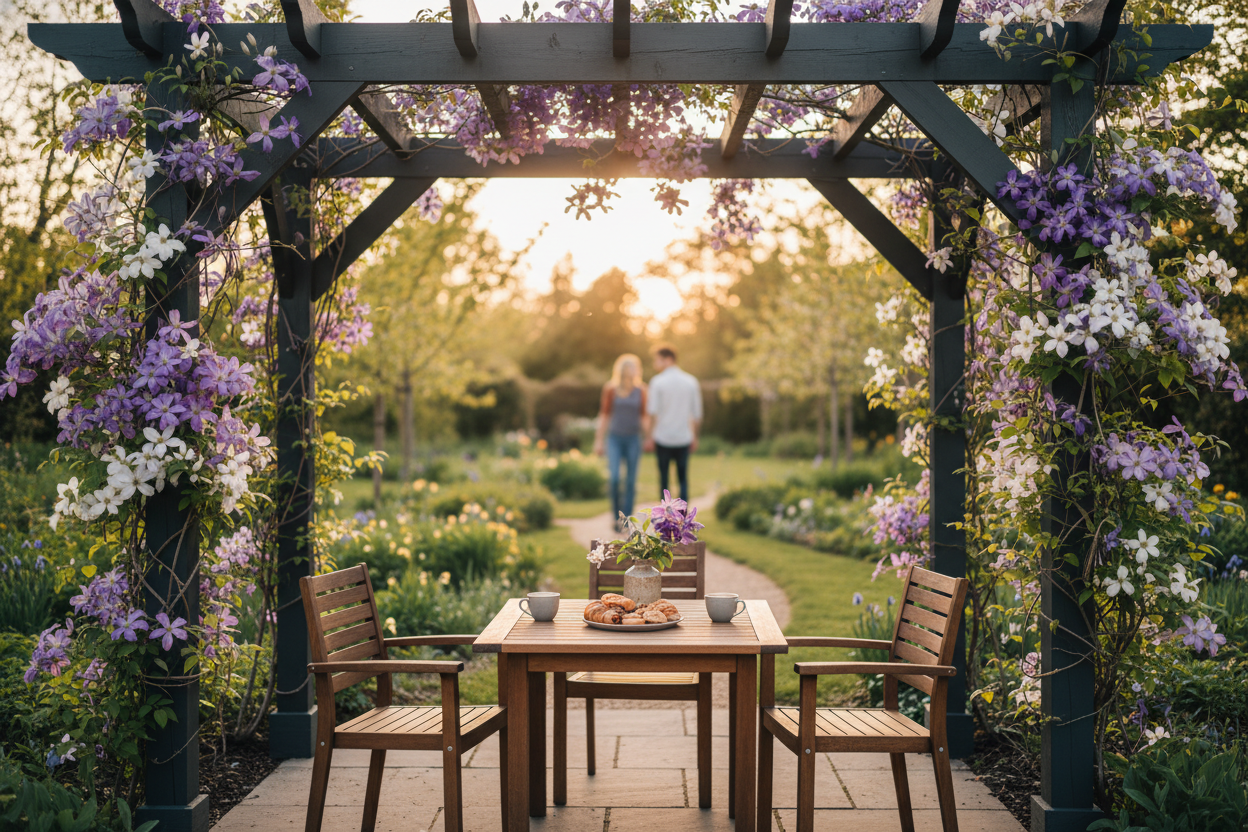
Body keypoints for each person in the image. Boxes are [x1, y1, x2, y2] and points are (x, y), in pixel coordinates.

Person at [593, 353, 647, 529]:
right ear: (621, 369)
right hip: (615, 438)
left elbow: (644, 416)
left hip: (633, 439)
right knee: (615, 478)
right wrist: (599, 440)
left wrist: (650, 437)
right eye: (627, 366)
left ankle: (626, 521)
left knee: (630, 480)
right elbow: (604, 415)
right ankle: (617, 516)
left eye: (633, 366)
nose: (630, 370)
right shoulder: (611, 389)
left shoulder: (642, 390)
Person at [644, 345, 702, 502]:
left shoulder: (657, 382)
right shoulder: (691, 381)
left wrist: (649, 437)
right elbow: (696, 414)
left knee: (664, 481)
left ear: (667, 360)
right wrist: (695, 437)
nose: (655, 364)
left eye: (657, 360)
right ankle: (683, 520)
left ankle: (664, 519)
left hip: (662, 438)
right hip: (684, 438)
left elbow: (653, 413)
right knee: (683, 478)